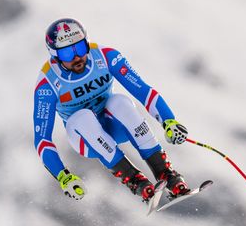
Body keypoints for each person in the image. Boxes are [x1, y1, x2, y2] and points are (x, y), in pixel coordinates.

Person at [33, 18, 190, 206]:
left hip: (113, 124)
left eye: (81, 48)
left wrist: (168, 121)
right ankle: (136, 182)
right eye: (67, 53)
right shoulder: (47, 84)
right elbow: (42, 139)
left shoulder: (105, 57)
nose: (77, 57)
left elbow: (143, 90)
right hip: (85, 138)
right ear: (55, 56)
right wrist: (62, 176)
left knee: (120, 101)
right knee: (82, 117)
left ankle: (167, 173)